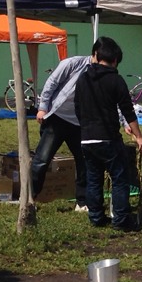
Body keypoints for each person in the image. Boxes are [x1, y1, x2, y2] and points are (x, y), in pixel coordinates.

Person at [74, 37, 142, 232]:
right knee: (119, 178)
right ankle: (121, 219)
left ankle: (96, 216)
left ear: (96, 56)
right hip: (108, 137)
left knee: (93, 177)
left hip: (87, 138)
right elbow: (128, 110)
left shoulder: (83, 79)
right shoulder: (116, 80)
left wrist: (85, 127)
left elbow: (77, 107)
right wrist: (139, 136)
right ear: (115, 60)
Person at [30, 53, 90, 211]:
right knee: (42, 159)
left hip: (79, 122)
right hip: (57, 117)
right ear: (96, 55)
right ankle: (30, 199)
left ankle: (82, 202)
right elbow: (51, 83)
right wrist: (42, 108)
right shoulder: (72, 64)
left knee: (84, 161)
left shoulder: (102, 74)